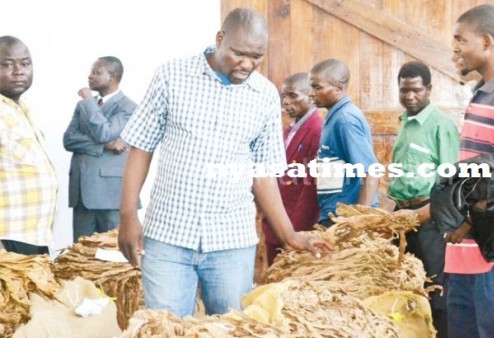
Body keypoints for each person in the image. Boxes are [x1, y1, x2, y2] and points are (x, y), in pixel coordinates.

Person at [118, 8, 331, 317]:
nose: (247, 64)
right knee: (165, 328)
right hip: (167, 237)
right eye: (239, 53)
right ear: (220, 39)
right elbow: (141, 147)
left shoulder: (264, 95)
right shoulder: (172, 76)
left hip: (232, 243)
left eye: (256, 56)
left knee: (232, 328)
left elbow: (263, 175)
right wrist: (128, 215)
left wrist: (288, 234)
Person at [397, 4, 494, 337]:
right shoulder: (481, 94)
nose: (454, 49)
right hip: (465, 253)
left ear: (485, 42)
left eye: (459, 40)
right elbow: (473, 183)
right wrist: (417, 215)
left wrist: (471, 221)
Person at [387, 60, 459, 337]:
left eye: (416, 90)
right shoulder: (404, 122)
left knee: (436, 289)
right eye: (404, 91)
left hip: (430, 218)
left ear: (429, 89)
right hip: (402, 218)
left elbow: (451, 183)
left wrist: (424, 214)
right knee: (404, 285)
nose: (409, 96)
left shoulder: (442, 126)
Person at [63, 56, 137, 242]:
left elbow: (105, 131)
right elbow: (69, 140)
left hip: (110, 195)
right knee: (79, 256)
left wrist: (89, 101)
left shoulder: (128, 107)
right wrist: (105, 145)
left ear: (112, 76)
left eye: (96, 72)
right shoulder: (83, 106)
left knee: (112, 258)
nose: (90, 76)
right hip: (81, 194)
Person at [0, 36, 58, 255]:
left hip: (31, 235)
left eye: (25, 64)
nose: (18, 71)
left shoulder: (21, 108)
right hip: (7, 240)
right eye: (6, 64)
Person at [308, 59, 379, 227]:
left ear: (338, 89)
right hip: (333, 214)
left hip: (345, 219)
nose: (311, 93)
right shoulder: (334, 117)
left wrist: (359, 221)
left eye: (317, 87)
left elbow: (372, 172)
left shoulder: (345, 120)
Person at [261, 72, 323, 265]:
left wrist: (295, 231)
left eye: (293, 96)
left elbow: (311, 187)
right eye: (283, 96)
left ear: (310, 97)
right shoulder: (288, 130)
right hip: (277, 222)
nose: (286, 102)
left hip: (297, 226)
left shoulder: (317, 130)